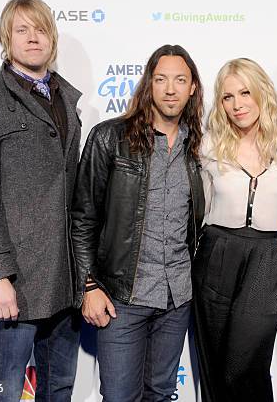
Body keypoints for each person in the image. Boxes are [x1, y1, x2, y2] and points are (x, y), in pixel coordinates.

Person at [0, 0, 82, 401]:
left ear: (52, 39)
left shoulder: (67, 99)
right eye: (21, 30)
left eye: (40, 29)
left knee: (58, 387)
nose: (33, 37)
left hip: (67, 279)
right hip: (17, 281)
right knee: (2, 389)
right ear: (6, 40)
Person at [70, 44, 204, 402]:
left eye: (180, 80)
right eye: (161, 79)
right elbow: (83, 217)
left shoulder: (199, 147)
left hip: (177, 297)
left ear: (193, 88)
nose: (171, 89)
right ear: (149, 84)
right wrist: (88, 285)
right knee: (118, 396)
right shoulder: (110, 137)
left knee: (160, 394)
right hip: (121, 296)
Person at [193, 58, 277, 402]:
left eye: (245, 93)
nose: (237, 104)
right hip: (216, 255)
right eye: (227, 97)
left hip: (267, 258)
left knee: (244, 365)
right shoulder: (209, 144)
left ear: (262, 93)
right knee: (215, 368)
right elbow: (200, 210)